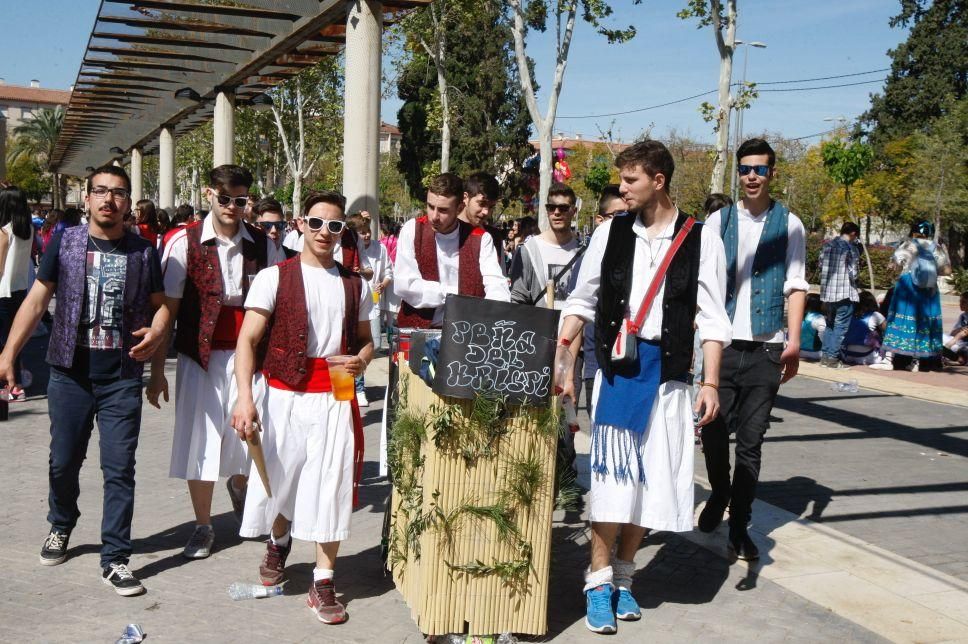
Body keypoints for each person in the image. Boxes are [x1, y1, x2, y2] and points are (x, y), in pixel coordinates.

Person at [555, 140, 729, 634]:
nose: (622, 188)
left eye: (630, 180)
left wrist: (710, 382)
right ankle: (598, 580)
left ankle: (625, 578)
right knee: (613, 485)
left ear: (659, 180)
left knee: (650, 482)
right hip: (619, 373)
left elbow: (714, 319)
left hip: (670, 376)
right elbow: (581, 299)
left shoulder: (701, 239)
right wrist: (565, 353)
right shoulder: (610, 231)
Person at [0, 165, 169, 596]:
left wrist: (156, 341)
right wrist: (8, 354)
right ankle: (61, 523)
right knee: (63, 461)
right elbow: (38, 299)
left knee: (119, 470)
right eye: (101, 191)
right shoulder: (66, 241)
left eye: (118, 193)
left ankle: (115, 558)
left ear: (128, 202)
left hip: (121, 377)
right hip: (69, 373)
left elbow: (161, 307)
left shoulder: (143, 252)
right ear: (88, 198)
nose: (108, 200)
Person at [232, 190, 374, 625]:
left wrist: (362, 360)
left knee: (329, 485)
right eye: (316, 223)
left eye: (335, 226)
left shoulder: (356, 284)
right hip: (284, 394)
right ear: (300, 223)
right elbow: (247, 340)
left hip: (336, 394)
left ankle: (324, 580)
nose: (324, 233)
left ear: (342, 231)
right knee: (282, 480)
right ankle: (279, 541)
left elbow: (368, 341)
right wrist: (244, 397)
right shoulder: (275, 277)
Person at [149, 165, 283, 560]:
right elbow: (167, 312)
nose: (231, 207)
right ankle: (204, 525)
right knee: (200, 440)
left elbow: (276, 303)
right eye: (224, 198)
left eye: (239, 200)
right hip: (200, 356)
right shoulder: (182, 242)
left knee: (251, 434)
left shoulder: (264, 243)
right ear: (210, 194)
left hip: (251, 356)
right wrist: (157, 371)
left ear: (248, 202)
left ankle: (241, 488)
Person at [699, 138, 808, 562]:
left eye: (759, 169)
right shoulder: (717, 222)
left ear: (771, 173)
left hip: (766, 349)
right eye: (745, 169)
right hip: (721, 346)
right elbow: (703, 284)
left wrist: (794, 341)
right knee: (711, 431)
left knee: (751, 441)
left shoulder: (790, 224)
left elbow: (796, 285)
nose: (751, 176)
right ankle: (720, 490)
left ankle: (740, 525)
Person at [394, 173, 510, 329]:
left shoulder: (481, 239)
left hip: (464, 335)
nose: (434, 216)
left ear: (459, 207)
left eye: (443, 210)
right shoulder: (412, 230)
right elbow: (405, 285)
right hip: (416, 332)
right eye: (430, 206)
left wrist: (491, 313)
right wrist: (456, 294)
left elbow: (497, 285)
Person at [881, 220, 951, 372]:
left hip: (908, 286)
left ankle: (888, 359)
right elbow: (947, 271)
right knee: (923, 322)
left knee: (900, 318)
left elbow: (894, 265)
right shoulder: (937, 247)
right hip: (929, 289)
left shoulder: (907, 245)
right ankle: (917, 361)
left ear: (913, 232)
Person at [581, 185, 626, 417]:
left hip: (631, 362)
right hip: (596, 361)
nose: (624, 222)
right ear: (600, 220)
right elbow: (580, 306)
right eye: (617, 216)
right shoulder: (589, 259)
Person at [347, 212, 391, 406]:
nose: (365, 236)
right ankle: (357, 387)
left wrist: (380, 282)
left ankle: (358, 384)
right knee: (351, 346)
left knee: (373, 344)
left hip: (370, 300)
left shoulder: (377, 248)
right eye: (361, 232)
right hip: (348, 303)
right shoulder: (343, 245)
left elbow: (373, 271)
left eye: (367, 232)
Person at [0, 187, 37, 390]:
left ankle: (8, 385)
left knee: (3, 342)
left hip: (2, 292)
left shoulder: (4, 231)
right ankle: (16, 385)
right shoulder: (29, 230)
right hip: (20, 291)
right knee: (14, 340)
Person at [819, 221, 861, 368]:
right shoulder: (851, 248)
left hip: (828, 293)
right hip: (844, 292)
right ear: (853, 233)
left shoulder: (827, 245)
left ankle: (825, 357)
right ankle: (833, 359)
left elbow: (820, 266)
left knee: (829, 325)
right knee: (840, 327)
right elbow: (853, 273)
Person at [460, 172, 505, 268]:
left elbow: (501, 277)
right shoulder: (446, 231)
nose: (486, 212)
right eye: (482, 203)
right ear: (465, 198)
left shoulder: (495, 237)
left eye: (491, 207)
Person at [842, 290, 886, 365]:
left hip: (846, 354)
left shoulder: (848, 314)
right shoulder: (876, 315)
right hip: (868, 356)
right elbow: (888, 331)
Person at [942, 292, 968, 365]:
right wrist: (960, 329)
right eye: (960, 301)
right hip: (959, 344)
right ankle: (958, 358)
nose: (960, 304)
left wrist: (950, 343)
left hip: (964, 346)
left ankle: (958, 359)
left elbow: (963, 333)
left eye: (964, 302)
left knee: (948, 346)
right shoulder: (962, 316)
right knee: (937, 337)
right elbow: (952, 333)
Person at [799, 293, 826, 361]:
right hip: (815, 353)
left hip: (798, 351)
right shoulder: (819, 318)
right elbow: (824, 337)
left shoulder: (799, 316)